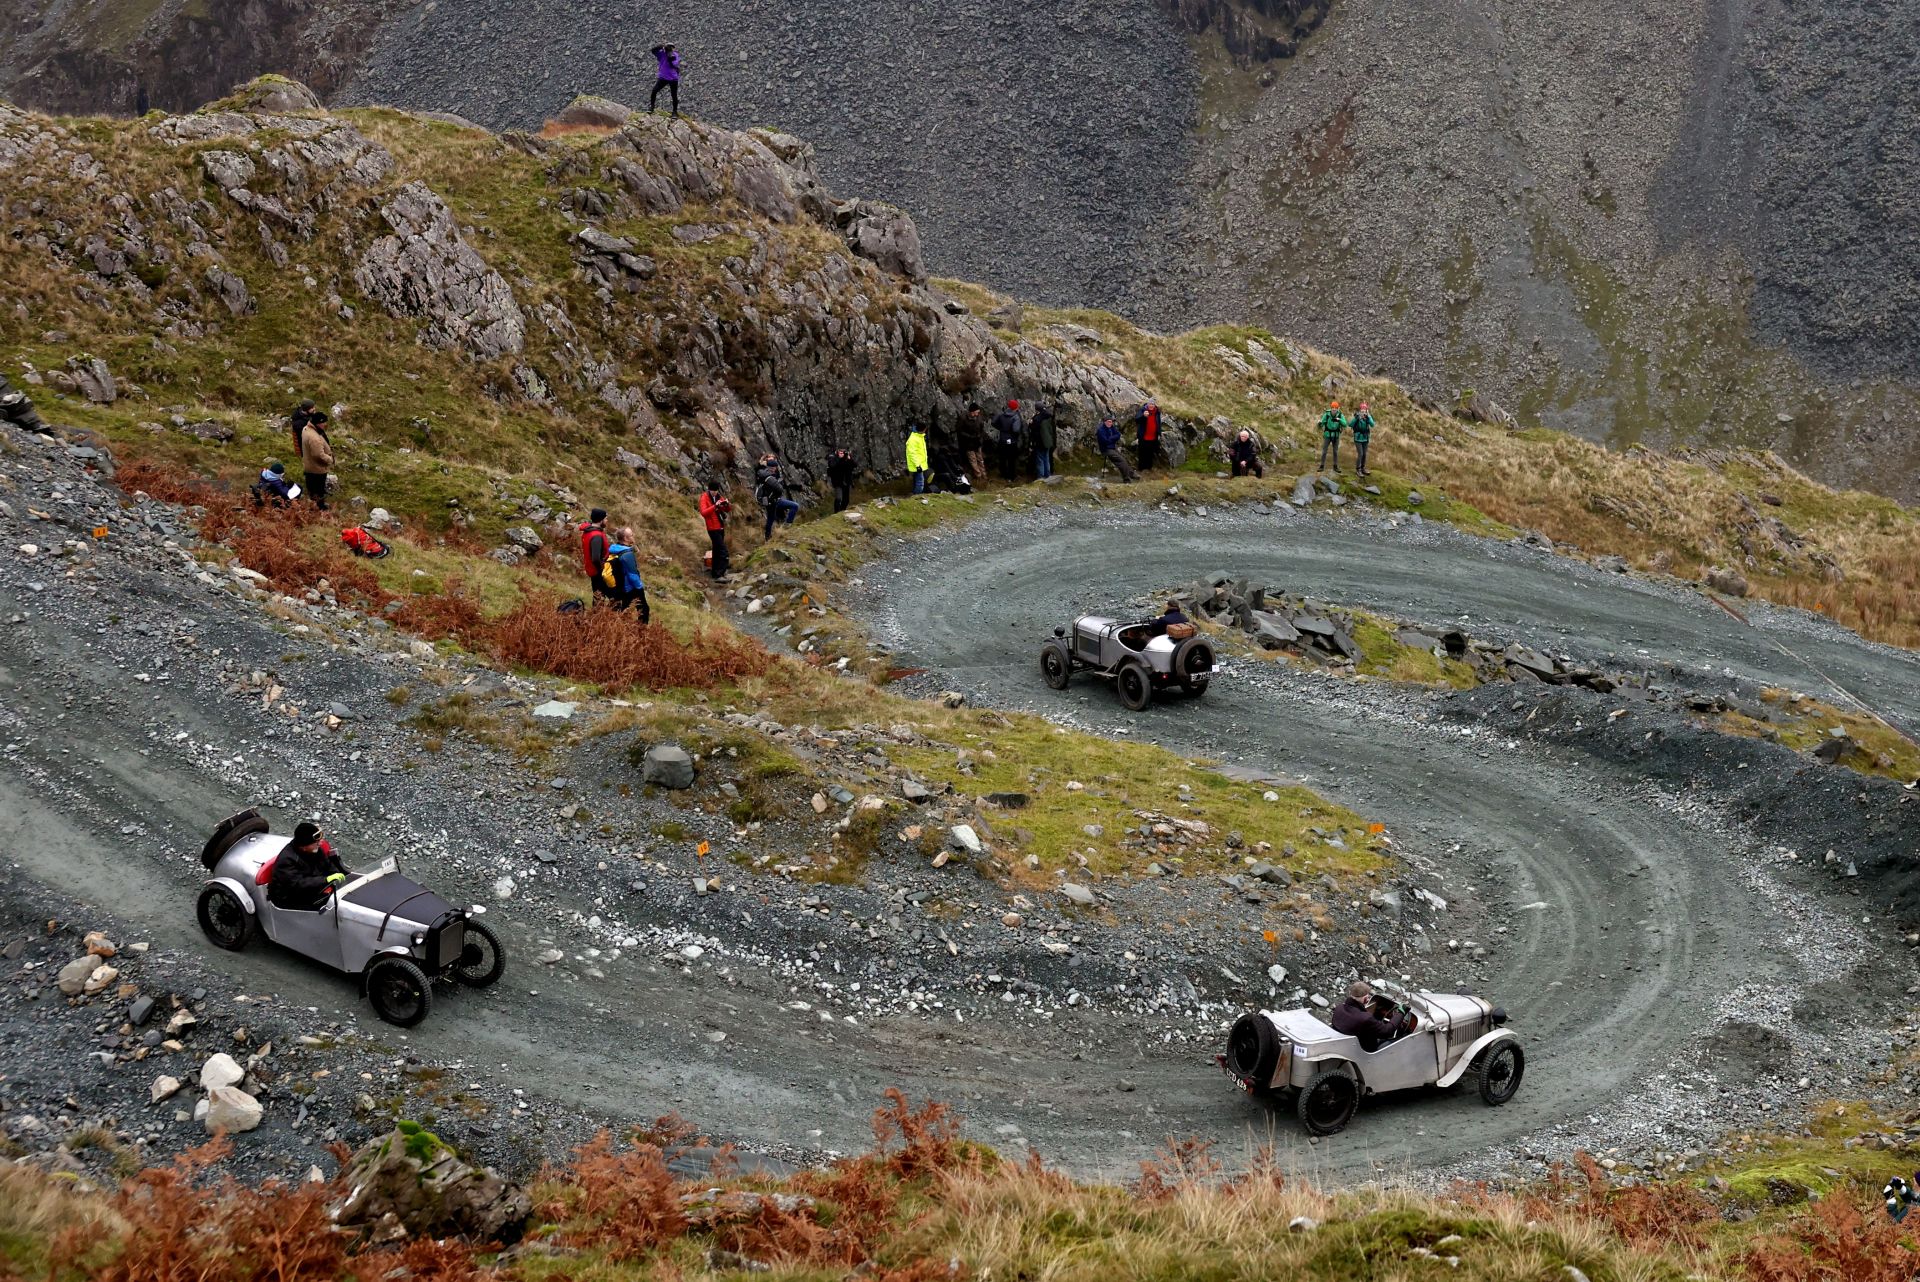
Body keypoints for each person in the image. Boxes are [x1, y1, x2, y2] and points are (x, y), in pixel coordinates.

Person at [267, 820, 352, 912]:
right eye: (316, 843)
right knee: (329, 906)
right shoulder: (286, 860)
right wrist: (326, 880)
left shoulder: (315, 849)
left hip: (312, 887)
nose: (319, 844)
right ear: (304, 846)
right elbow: (298, 884)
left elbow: (327, 865)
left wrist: (337, 876)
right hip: (291, 897)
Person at [1330, 980, 1406, 1053]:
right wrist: (1400, 1013)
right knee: (1397, 1040)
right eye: (1368, 996)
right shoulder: (1365, 1018)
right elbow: (1387, 1031)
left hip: (1344, 1046)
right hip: (1364, 1050)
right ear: (1365, 998)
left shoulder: (1339, 1008)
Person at [603, 528, 651, 622]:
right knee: (644, 609)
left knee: (621, 608)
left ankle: (612, 626)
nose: (634, 536)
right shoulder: (627, 554)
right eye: (631, 535)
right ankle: (641, 632)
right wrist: (639, 587)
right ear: (625, 538)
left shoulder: (614, 549)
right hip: (629, 587)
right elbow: (632, 574)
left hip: (618, 586)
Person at [754, 454, 800, 537]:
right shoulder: (769, 476)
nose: (776, 468)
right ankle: (786, 528)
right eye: (775, 466)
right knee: (795, 506)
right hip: (774, 500)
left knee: (770, 519)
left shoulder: (762, 473)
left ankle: (767, 536)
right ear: (773, 467)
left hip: (768, 501)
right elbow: (780, 489)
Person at [298, 411, 333, 510]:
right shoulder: (315, 438)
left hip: (309, 465)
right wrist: (329, 459)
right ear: (318, 423)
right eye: (324, 422)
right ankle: (319, 508)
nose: (325, 424)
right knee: (319, 490)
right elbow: (318, 455)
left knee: (312, 489)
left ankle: (313, 505)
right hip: (317, 469)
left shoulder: (306, 429)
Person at [577, 508, 612, 603]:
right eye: (605, 518)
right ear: (601, 520)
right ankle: (597, 616)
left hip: (592, 570)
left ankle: (596, 616)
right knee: (604, 598)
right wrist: (602, 571)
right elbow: (595, 558)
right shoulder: (596, 536)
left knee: (598, 596)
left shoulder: (588, 531)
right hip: (598, 572)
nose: (607, 521)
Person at [699, 481, 732, 580]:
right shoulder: (704, 497)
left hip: (720, 526)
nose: (715, 493)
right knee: (723, 551)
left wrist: (726, 504)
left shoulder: (718, 496)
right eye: (713, 491)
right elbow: (703, 512)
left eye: (716, 491)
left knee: (717, 551)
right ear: (709, 489)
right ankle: (720, 574)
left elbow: (728, 510)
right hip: (712, 528)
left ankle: (716, 573)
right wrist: (715, 506)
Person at [1095, 414, 1139, 482]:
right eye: (1109, 421)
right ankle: (1126, 479)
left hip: (1112, 447)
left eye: (1111, 422)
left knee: (1124, 459)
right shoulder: (1101, 430)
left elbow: (1118, 435)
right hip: (1106, 449)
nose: (1110, 423)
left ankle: (1132, 474)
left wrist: (1110, 438)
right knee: (1121, 461)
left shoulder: (1112, 427)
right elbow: (1105, 441)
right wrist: (1113, 438)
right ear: (1105, 422)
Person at [992, 399, 1025, 481]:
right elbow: (1016, 429)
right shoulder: (1015, 417)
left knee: (1002, 458)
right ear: (1015, 408)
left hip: (1002, 439)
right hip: (1012, 441)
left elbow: (993, 422)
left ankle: (1003, 474)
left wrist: (1001, 429)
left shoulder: (1002, 414)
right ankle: (1012, 476)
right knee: (1012, 460)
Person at [649, 44, 682, 117]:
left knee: (674, 95)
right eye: (669, 49)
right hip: (663, 77)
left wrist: (670, 59)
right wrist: (662, 46)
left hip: (673, 78)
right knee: (654, 91)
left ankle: (675, 112)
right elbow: (652, 50)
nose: (670, 50)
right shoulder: (662, 54)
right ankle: (651, 107)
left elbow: (674, 63)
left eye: (671, 49)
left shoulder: (675, 55)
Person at [959, 403, 988, 483]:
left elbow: (982, 429)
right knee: (973, 461)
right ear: (972, 412)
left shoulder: (979, 418)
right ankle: (979, 476)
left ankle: (984, 475)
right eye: (976, 412)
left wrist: (980, 437)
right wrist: (970, 436)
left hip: (978, 442)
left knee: (980, 459)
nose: (977, 414)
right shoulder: (963, 418)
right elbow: (960, 431)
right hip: (968, 443)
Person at [1316, 401, 1347, 473]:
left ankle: (1335, 466)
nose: (1334, 409)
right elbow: (1321, 425)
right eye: (1333, 408)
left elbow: (1345, 424)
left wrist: (1339, 420)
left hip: (1336, 435)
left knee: (1335, 451)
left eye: (1335, 408)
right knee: (1324, 451)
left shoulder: (1340, 415)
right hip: (1327, 435)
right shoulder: (1326, 414)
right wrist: (1319, 423)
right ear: (1331, 408)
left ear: (1338, 408)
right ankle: (1321, 466)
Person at [1029, 401, 1057, 479]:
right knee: (1046, 458)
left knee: (1040, 459)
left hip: (1040, 441)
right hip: (1048, 441)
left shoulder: (1037, 419)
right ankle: (1048, 475)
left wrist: (1031, 424)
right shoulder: (1049, 416)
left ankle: (1041, 477)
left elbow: (1034, 431)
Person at [1135, 399, 1162, 472]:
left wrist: (1159, 432)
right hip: (1143, 436)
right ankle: (1141, 469)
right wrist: (1143, 416)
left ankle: (1149, 468)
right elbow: (1137, 419)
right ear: (1147, 404)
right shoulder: (1143, 410)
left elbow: (1158, 422)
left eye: (1152, 404)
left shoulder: (1157, 412)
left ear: (1154, 405)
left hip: (1153, 437)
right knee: (1142, 453)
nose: (1151, 406)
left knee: (1150, 453)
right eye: (1150, 404)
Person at [902, 425, 929, 495]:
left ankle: (914, 494)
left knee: (916, 480)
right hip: (917, 465)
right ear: (922, 429)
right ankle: (917, 496)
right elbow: (912, 454)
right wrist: (918, 466)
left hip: (919, 464)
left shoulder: (919, 437)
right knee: (920, 482)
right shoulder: (914, 439)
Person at [1350, 402, 1375, 476]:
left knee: (1364, 454)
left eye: (1365, 410)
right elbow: (1350, 424)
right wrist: (1356, 418)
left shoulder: (1368, 417)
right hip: (1358, 438)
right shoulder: (1357, 416)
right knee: (1360, 454)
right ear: (1360, 410)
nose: (1363, 412)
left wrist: (1369, 417)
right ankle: (1358, 469)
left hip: (1365, 438)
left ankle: (1363, 468)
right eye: (1362, 410)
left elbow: (1372, 425)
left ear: (1366, 410)